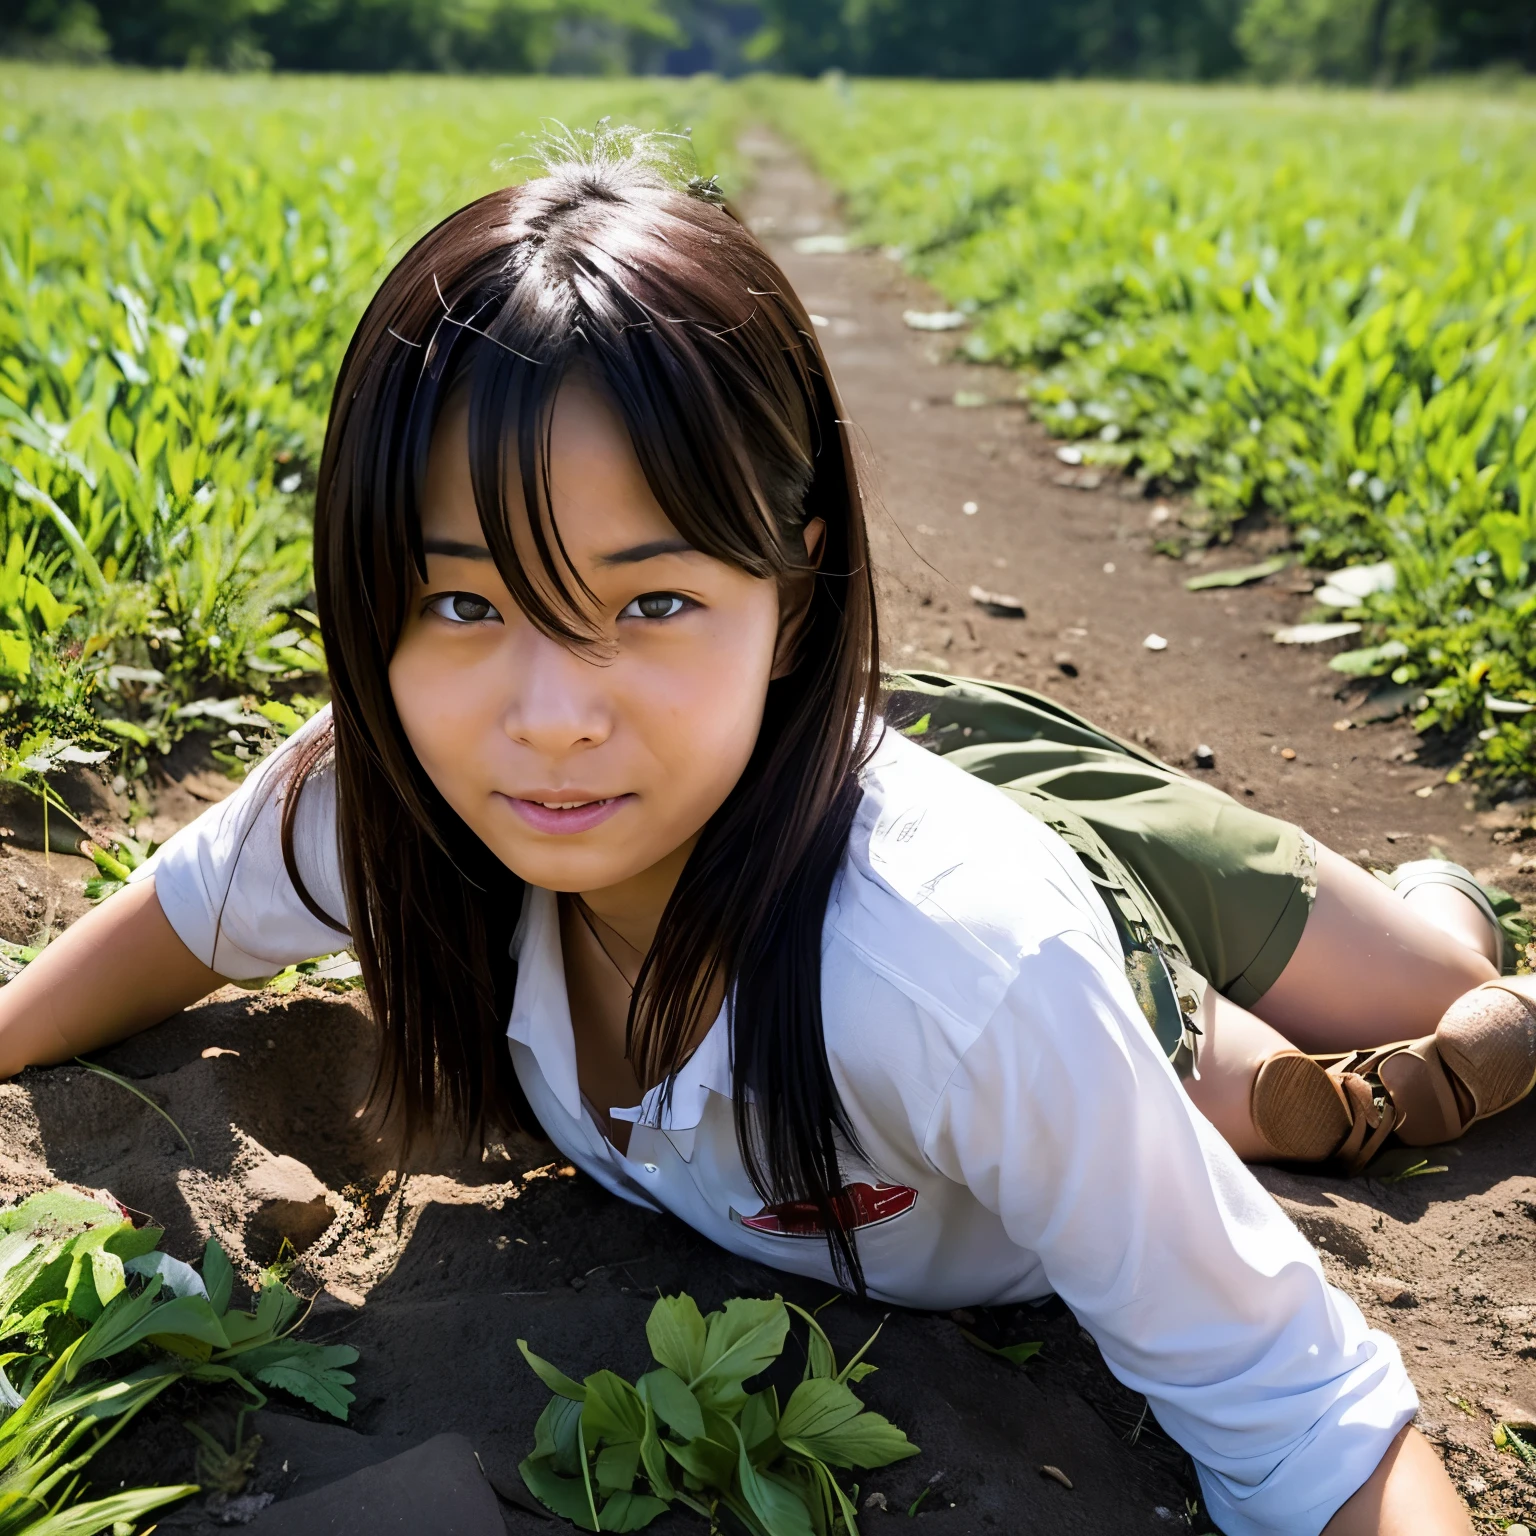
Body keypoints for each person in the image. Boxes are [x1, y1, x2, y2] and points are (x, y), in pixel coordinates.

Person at [0, 129, 1529, 1536]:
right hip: (808, 782)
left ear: (792, 592)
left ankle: (1423, 923)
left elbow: (1320, 1427)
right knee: (1173, 1114)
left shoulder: (961, 971)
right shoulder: (393, 802)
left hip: (1052, 876)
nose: (546, 717)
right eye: (465, 600)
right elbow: (171, 928)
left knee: (1392, 1023)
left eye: (649, 600)